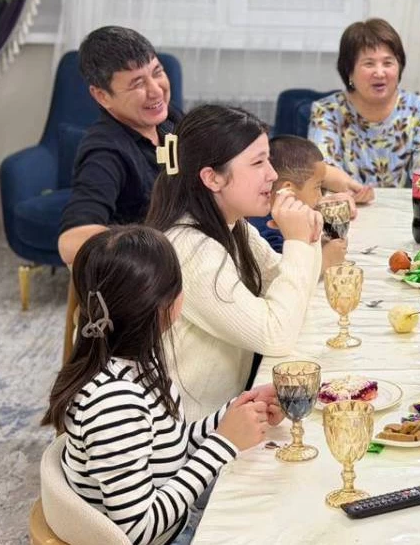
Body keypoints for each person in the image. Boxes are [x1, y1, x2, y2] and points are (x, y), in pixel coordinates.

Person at [42, 226, 283, 545]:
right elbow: (138, 531)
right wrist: (223, 444)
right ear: (167, 305)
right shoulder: (115, 402)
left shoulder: (132, 363)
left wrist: (235, 413)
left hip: (176, 521)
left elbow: (167, 448)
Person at [146, 105, 325, 417]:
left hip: (227, 413)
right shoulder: (190, 248)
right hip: (187, 432)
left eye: (268, 159)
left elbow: (294, 294)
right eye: (258, 162)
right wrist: (297, 242)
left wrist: (308, 235)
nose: (272, 174)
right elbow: (276, 334)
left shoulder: (233, 225)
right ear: (212, 178)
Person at [58, 26, 183, 265]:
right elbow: (70, 242)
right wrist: (149, 242)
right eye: (137, 84)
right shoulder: (105, 153)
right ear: (102, 96)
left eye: (157, 72)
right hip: (156, 269)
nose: (156, 91)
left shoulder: (169, 119)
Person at [307, 17, 420, 189]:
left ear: (399, 67)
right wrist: (355, 189)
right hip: (348, 201)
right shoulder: (327, 111)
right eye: (369, 64)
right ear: (349, 71)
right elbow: (321, 168)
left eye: (388, 63)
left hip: (409, 203)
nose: (380, 73)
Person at [247, 135, 352, 261]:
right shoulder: (264, 227)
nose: (320, 196)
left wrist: (318, 245)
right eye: (317, 186)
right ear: (288, 190)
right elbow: (283, 268)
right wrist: (325, 260)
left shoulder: (289, 216)